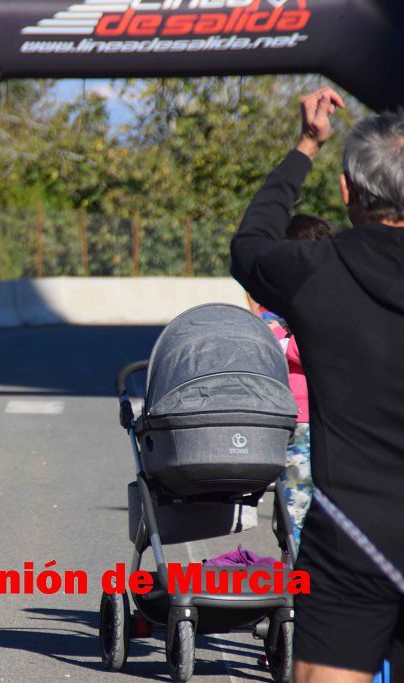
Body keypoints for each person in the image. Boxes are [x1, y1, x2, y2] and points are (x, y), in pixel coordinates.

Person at [231, 87, 404, 682]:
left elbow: (250, 245)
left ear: (347, 192)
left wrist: (307, 143)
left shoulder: (315, 270)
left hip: (352, 536)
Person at [257, 214, 334, 547]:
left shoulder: (319, 294)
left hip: (307, 418)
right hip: (295, 416)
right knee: (287, 514)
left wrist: (277, 339)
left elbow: (319, 349)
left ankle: (303, 586)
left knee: (297, 511)